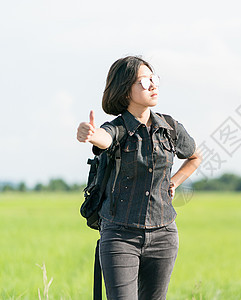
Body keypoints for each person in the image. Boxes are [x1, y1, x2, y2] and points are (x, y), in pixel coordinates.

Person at [76, 55, 202, 299]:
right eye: (144, 82)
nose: (152, 85)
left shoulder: (170, 127)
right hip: (120, 236)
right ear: (125, 93)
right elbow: (105, 138)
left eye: (154, 79)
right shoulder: (118, 128)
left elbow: (195, 156)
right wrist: (91, 135)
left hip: (164, 234)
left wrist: (174, 182)